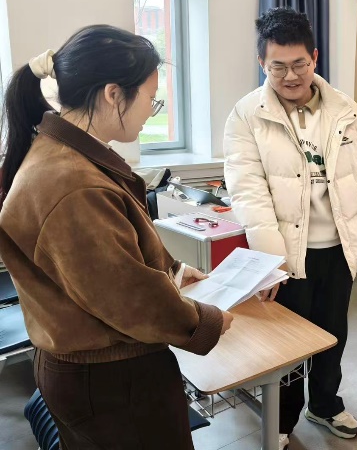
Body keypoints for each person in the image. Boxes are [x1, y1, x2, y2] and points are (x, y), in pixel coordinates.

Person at [0, 25, 233, 449]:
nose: (151, 112)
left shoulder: (64, 157)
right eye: (151, 99)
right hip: (111, 383)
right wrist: (208, 321)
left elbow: (107, 264)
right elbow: (130, 297)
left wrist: (175, 271)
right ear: (113, 94)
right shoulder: (73, 184)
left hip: (94, 372)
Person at [224, 7, 357, 449]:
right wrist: (270, 263)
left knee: (332, 334)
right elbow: (249, 193)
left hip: (339, 248)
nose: (291, 76)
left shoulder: (346, 110)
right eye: (278, 66)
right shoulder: (246, 115)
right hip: (287, 254)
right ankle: (281, 421)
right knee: (287, 345)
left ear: (315, 57)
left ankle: (325, 404)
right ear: (262, 63)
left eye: (299, 64)